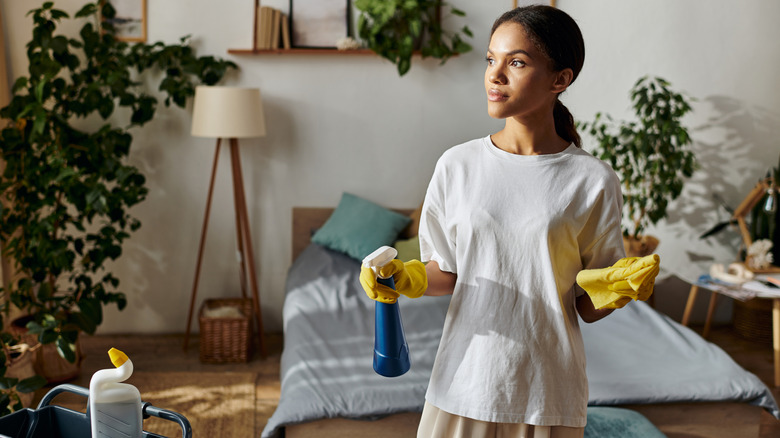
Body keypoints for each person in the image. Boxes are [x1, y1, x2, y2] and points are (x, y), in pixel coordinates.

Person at [360, 5, 658, 438]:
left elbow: (584, 307)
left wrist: (617, 290)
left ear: (561, 79)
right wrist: (407, 279)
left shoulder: (592, 180)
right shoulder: (456, 166)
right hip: (462, 383)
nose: (494, 75)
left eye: (516, 62)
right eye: (490, 60)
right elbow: (447, 271)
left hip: (548, 392)